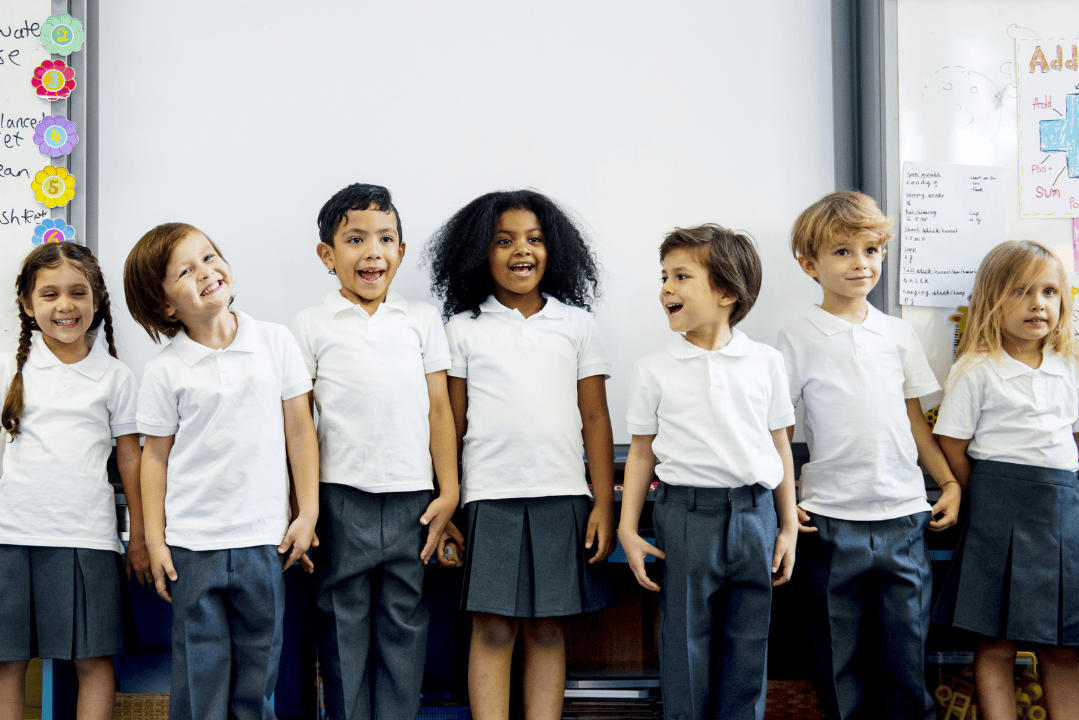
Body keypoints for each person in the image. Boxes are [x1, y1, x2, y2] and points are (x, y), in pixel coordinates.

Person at [426, 189, 615, 720]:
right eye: (503, 241)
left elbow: (596, 420)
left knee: (549, 626)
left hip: (562, 496)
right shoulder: (463, 328)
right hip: (488, 499)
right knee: (491, 626)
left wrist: (603, 504)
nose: (521, 251)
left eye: (533, 239)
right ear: (478, 254)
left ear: (553, 250)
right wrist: (450, 499)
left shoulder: (576, 325)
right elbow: (452, 423)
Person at [776, 191, 960, 720]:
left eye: (872, 250)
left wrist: (946, 483)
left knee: (907, 651)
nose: (861, 263)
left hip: (904, 515)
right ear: (810, 264)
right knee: (837, 655)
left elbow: (914, 424)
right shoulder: (794, 339)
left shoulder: (898, 334)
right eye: (843, 252)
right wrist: (784, 502)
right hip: (830, 520)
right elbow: (778, 434)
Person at [124, 223, 319, 720]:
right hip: (194, 546)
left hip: (263, 542)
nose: (207, 272)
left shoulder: (275, 342)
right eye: (186, 271)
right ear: (166, 306)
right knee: (200, 675)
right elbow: (155, 458)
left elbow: (300, 432)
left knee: (258, 675)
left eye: (210, 257)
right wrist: (155, 538)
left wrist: (308, 511)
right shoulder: (165, 370)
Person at [290, 183, 460, 720]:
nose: (372, 252)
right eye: (355, 239)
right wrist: (305, 504)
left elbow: (440, 410)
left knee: (404, 626)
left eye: (386, 238)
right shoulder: (310, 325)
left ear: (401, 252)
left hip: (414, 498)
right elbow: (299, 423)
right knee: (342, 627)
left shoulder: (421, 320)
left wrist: (449, 489)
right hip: (341, 498)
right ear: (327, 254)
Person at [618, 224, 798, 720]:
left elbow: (779, 444)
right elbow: (640, 453)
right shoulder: (654, 368)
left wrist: (786, 528)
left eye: (681, 277)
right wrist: (628, 528)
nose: (666, 289)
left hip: (754, 515)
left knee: (749, 640)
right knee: (684, 641)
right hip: (685, 515)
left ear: (726, 292)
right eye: (664, 277)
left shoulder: (766, 362)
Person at [0, 242, 150, 720]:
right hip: (11, 535)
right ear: (27, 304)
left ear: (97, 300)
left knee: (93, 659)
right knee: (8, 662)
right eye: (49, 295)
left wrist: (142, 537)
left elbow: (131, 459)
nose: (65, 306)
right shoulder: (9, 367)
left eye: (78, 293)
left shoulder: (117, 377)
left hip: (86, 539)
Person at [933, 239, 1079, 720]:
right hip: (996, 508)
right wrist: (980, 495)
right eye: (1020, 291)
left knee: (1063, 644)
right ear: (992, 301)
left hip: (1062, 512)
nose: (1038, 303)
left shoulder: (1071, 368)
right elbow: (953, 444)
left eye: (1049, 292)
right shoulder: (976, 369)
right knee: (995, 639)